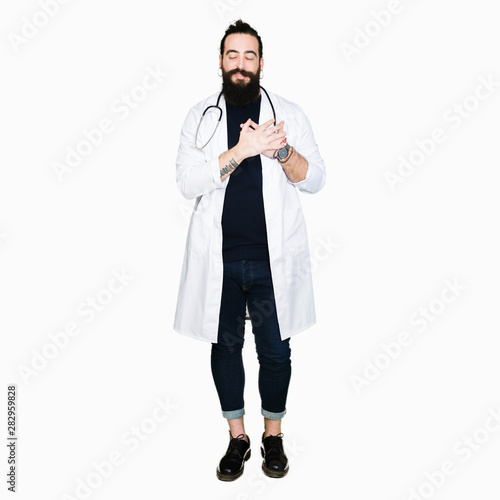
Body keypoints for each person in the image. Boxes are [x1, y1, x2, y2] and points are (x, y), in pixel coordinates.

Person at [174, 19, 326, 481]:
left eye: (250, 56)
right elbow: (187, 183)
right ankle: (237, 437)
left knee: (276, 353)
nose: (241, 65)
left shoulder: (290, 114)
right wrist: (241, 149)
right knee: (226, 348)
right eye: (232, 55)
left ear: (261, 63)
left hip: (272, 262)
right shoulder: (200, 116)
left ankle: (273, 435)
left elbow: (316, 179)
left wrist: (281, 153)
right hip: (219, 260)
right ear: (221, 61)